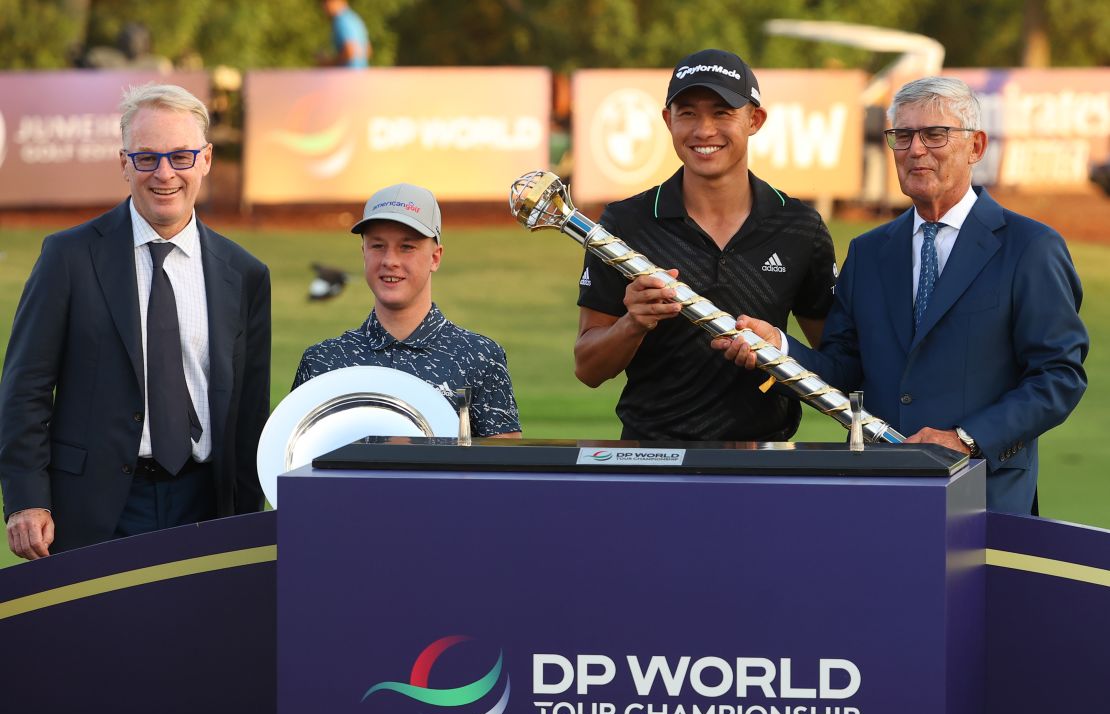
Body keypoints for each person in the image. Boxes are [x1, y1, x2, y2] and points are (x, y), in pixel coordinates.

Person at [713, 76, 1088, 514]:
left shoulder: (1029, 247)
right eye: (903, 136)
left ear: (977, 146)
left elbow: (1059, 377)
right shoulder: (869, 252)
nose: (916, 149)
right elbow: (844, 370)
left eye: (935, 134)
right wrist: (777, 347)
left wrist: (966, 439)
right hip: (881, 495)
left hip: (987, 498)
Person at [0, 83, 271, 559]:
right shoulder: (68, 257)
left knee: (200, 634)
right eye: (146, 158)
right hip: (94, 508)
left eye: (181, 157)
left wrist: (248, 520)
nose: (164, 174)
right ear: (124, 163)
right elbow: (25, 388)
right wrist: (26, 500)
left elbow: (249, 411)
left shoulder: (245, 274)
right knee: (96, 635)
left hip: (205, 503)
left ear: (205, 159)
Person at [574, 49, 838, 441]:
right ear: (668, 121)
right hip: (652, 462)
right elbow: (588, 368)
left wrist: (778, 349)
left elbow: (836, 366)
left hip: (763, 464)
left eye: (722, 112)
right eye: (688, 113)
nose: (704, 130)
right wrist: (633, 324)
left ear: (755, 119)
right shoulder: (626, 223)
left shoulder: (799, 227)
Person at [293, 183, 522, 438]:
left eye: (407, 247)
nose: (390, 260)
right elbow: (292, 465)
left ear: (435, 257)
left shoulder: (479, 357)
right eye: (377, 246)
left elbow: (506, 472)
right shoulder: (323, 362)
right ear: (363, 254)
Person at [319, 0, 371, 68]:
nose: (324, 6)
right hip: (361, 74)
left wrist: (329, 64)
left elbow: (350, 51)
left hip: (347, 75)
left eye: (326, 2)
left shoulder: (341, 21)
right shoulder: (354, 18)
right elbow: (368, 50)